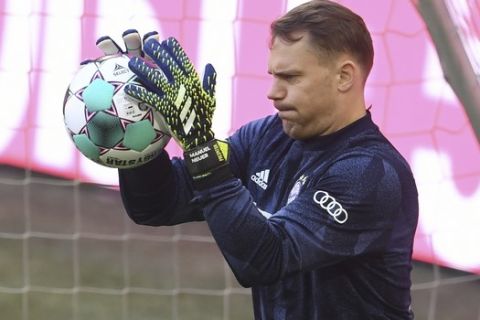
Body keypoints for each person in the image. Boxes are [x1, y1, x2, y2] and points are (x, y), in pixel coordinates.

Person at [98, 1, 418, 319]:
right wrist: (137, 137)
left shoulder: (371, 174)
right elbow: (159, 203)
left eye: (290, 77)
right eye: (273, 75)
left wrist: (201, 150)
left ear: (344, 77)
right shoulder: (264, 137)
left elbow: (265, 259)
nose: (273, 93)